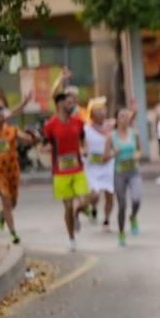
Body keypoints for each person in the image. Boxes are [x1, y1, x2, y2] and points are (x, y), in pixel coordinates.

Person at [41, 91, 90, 251]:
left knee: (85, 201)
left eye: (73, 102)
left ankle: (77, 214)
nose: (73, 105)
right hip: (60, 172)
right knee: (67, 207)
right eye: (69, 103)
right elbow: (43, 145)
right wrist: (46, 149)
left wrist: (84, 149)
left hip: (77, 169)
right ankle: (71, 239)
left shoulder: (78, 122)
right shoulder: (50, 125)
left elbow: (83, 139)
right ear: (60, 105)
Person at [0, 106, 33, 244]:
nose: (3, 117)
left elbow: (27, 139)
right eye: (0, 115)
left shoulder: (12, 130)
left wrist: (33, 137)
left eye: (3, 115)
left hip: (13, 172)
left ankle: (1, 215)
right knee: (5, 199)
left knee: (12, 203)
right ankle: (13, 233)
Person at [105, 108, 144, 247]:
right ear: (117, 119)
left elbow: (140, 150)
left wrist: (138, 155)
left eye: (127, 116)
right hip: (119, 173)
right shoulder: (112, 136)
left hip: (133, 172)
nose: (125, 119)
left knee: (137, 199)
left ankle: (133, 216)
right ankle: (121, 232)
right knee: (122, 205)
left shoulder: (135, 134)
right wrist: (113, 153)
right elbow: (105, 157)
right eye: (122, 116)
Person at [83, 98, 115, 231]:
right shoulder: (86, 130)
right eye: (98, 111)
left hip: (108, 165)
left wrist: (134, 111)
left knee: (109, 194)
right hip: (92, 167)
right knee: (95, 195)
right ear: (92, 114)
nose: (102, 113)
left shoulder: (111, 127)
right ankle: (93, 206)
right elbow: (81, 146)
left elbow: (127, 121)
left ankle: (106, 219)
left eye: (103, 110)